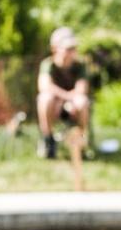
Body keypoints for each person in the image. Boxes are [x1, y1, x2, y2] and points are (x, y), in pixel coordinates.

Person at [36, 27, 90, 161]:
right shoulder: (48, 64)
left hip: (73, 106)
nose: (72, 52)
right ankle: (49, 142)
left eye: (73, 48)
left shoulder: (80, 65)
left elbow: (82, 88)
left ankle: (81, 143)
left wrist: (68, 101)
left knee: (82, 101)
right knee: (45, 99)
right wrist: (63, 99)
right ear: (55, 48)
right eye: (68, 48)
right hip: (54, 106)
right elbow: (44, 86)